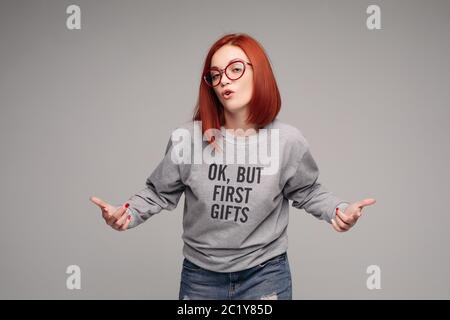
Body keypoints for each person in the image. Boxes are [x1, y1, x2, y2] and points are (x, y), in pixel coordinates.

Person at [90, 33, 376, 300]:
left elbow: (308, 191)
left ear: (258, 71)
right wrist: (128, 213)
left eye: (235, 69)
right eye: (215, 75)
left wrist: (338, 210)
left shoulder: (287, 141)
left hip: (265, 275)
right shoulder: (188, 138)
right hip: (200, 277)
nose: (224, 81)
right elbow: (158, 191)